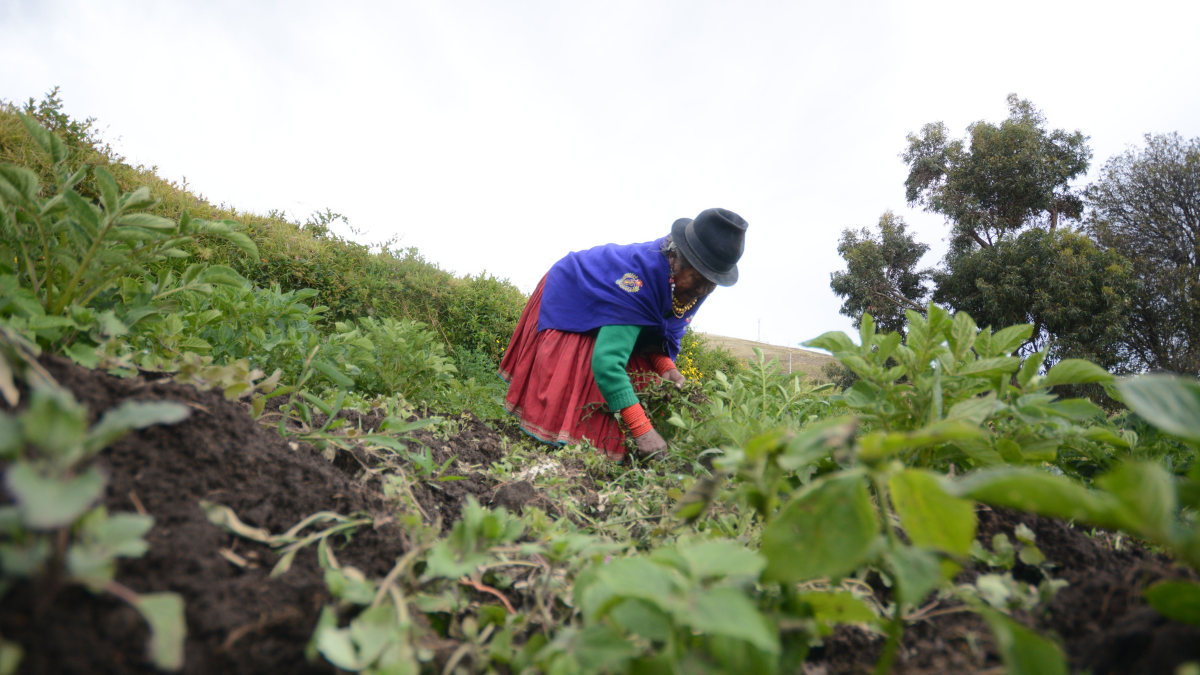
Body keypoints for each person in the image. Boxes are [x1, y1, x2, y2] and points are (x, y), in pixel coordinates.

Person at [499, 208, 747, 460]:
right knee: (585, 366)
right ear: (675, 258)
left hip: (620, 307)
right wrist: (641, 429)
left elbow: (661, 331)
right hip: (574, 294)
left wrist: (665, 365)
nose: (701, 290)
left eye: (711, 283)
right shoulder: (638, 278)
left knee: (638, 376)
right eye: (696, 278)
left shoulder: (694, 286)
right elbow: (607, 363)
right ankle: (551, 448)